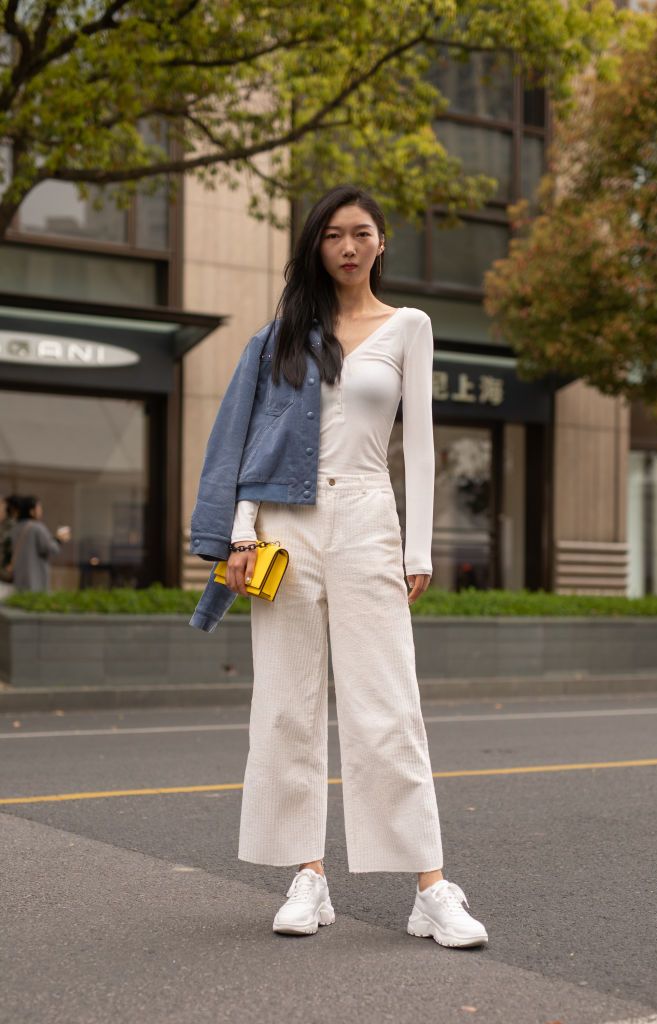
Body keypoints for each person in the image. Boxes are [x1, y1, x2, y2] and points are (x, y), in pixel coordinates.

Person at [193, 185, 488, 948]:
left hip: (365, 517)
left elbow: (416, 442)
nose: (348, 246)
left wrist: (416, 546)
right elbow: (256, 439)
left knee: (386, 705)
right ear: (316, 247)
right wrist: (241, 533)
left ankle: (430, 887)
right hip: (284, 524)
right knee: (287, 706)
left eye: (361, 233)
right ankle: (307, 877)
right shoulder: (284, 335)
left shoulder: (407, 327)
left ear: (381, 243)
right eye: (332, 235)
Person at [10, 496, 71, 593]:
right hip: (35, 577)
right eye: (39, 508)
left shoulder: (15, 528)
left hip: (19, 577)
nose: (41, 511)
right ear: (31, 511)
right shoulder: (37, 527)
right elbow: (50, 548)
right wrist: (59, 540)